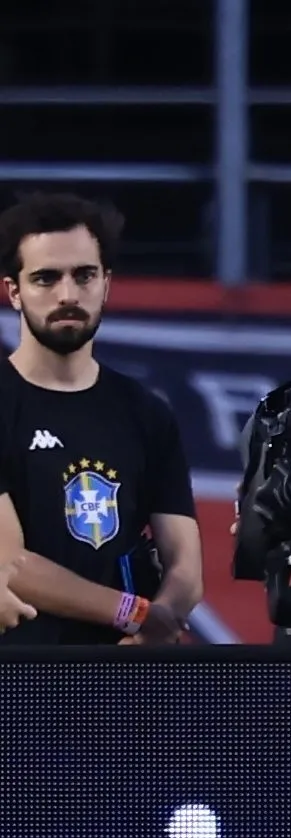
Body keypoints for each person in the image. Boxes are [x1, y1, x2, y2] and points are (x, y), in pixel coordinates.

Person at [0, 192, 200, 646]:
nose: (68, 294)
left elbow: (186, 567)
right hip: (19, 678)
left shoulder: (146, 412)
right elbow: (10, 563)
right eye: (45, 278)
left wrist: (158, 623)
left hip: (123, 682)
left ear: (106, 283)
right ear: (14, 291)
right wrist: (138, 615)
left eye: (84, 275)